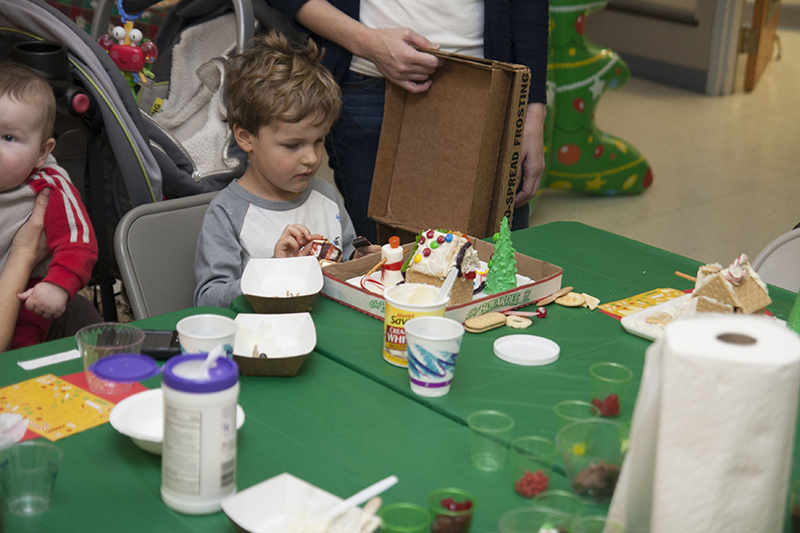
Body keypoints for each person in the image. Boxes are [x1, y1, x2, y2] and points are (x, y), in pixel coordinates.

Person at [267, 0, 549, 242]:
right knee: (385, 267)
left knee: (500, 269)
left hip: (489, 86)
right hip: (369, 84)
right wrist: (364, 41)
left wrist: (533, 110)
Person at [194, 30, 380, 309]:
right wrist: (273, 272)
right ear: (246, 138)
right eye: (293, 145)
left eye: (318, 141)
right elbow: (207, 299)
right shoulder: (228, 213)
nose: (311, 158)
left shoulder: (326, 195)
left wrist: (362, 263)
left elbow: (345, 261)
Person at [0, 63, 99, 351]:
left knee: (24, 344)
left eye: (8, 138)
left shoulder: (49, 186)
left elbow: (78, 241)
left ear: (42, 153)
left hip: (26, 303)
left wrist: (57, 284)